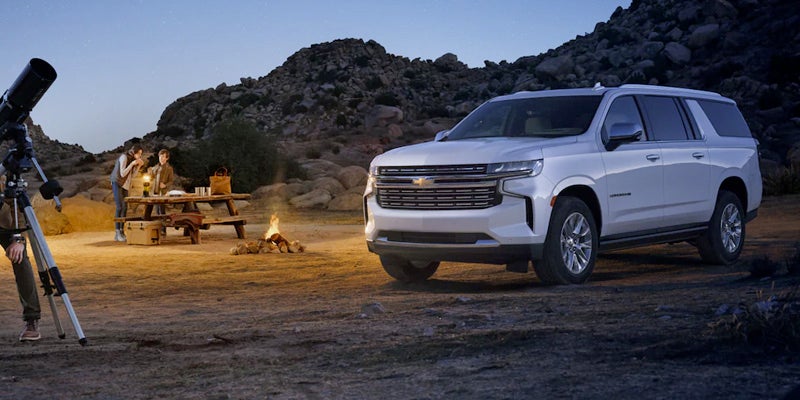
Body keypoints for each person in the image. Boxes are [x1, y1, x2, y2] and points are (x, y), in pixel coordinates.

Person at [0, 177, 41, 341]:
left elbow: (16, 205)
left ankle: (32, 319)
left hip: (6, 225)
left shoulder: (2, 176)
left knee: (20, 260)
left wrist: (19, 239)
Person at [110, 144, 144, 242]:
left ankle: (121, 231)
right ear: (134, 152)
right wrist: (132, 164)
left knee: (125, 207)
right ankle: (117, 232)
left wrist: (138, 166)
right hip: (117, 182)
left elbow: (132, 175)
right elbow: (122, 173)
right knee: (119, 207)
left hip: (125, 184)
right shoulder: (124, 157)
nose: (139, 156)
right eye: (139, 154)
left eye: (141, 154)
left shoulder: (132, 160)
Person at [150, 149, 174, 234]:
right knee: (156, 211)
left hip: (163, 192)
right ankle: (158, 229)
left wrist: (165, 185)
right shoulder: (155, 167)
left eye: (164, 156)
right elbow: (151, 178)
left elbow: (171, 181)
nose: (162, 158)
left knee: (162, 211)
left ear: (167, 158)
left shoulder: (169, 168)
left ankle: (163, 230)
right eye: (161, 156)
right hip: (155, 192)